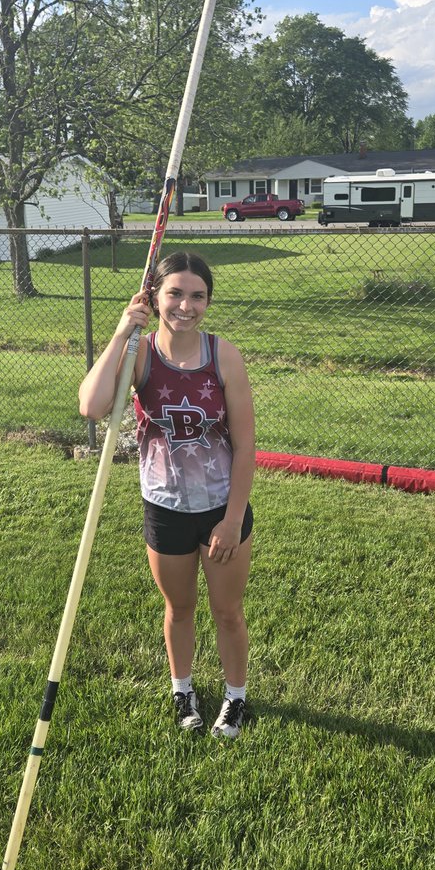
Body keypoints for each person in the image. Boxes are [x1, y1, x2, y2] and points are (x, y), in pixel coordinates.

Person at [79, 251, 256, 739]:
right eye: (174, 293)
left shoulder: (223, 355)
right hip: (165, 506)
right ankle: (184, 691)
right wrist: (120, 332)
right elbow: (92, 405)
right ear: (154, 297)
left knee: (227, 611)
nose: (186, 305)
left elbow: (245, 446)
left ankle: (235, 699)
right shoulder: (140, 354)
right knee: (179, 609)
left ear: (207, 302)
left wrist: (231, 520)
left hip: (221, 507)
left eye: (197, 296)